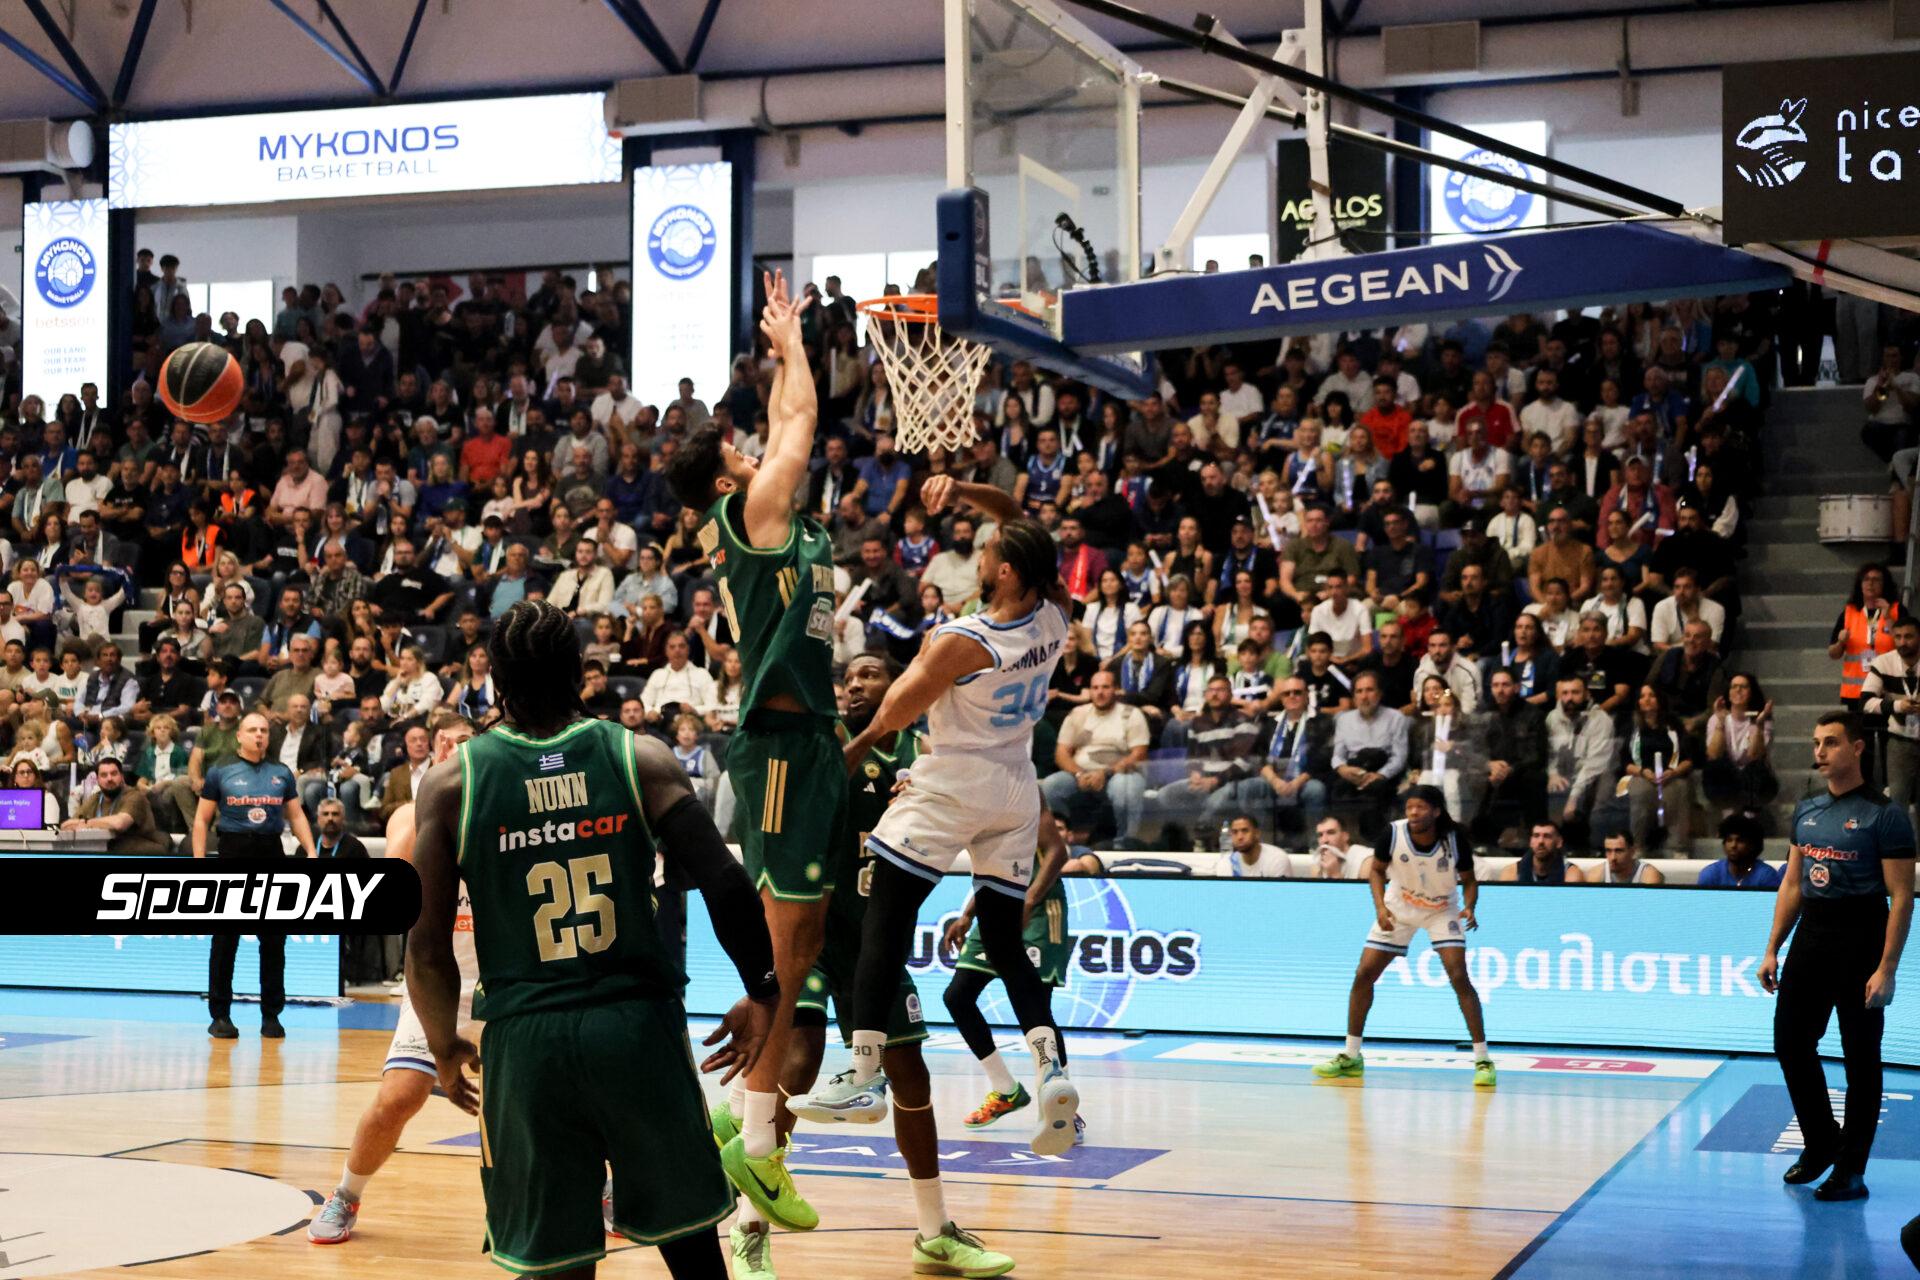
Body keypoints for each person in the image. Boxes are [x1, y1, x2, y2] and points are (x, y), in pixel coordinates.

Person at [407, 600, 779, 1279]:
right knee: (692, 1245)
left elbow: (427, 944)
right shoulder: (639, 757)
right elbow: (727, 882)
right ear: (580, 673)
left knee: (558, 1258)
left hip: (527, 1043)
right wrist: (763, 991)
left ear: (495, 681)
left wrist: (442, 1043)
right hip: (636, 1029)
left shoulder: (453, 781)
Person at [788, 472, 1079, 1160]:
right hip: (1016, 785)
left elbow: (895, 712)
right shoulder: (1055, 612)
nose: (979, 553)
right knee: (1004, 942)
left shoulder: (963, 640)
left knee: (884, 923)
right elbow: (1018, 518)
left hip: (953, 782)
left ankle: (864, 1075)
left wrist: (857, 747)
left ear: (1003, 571)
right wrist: (968, 490)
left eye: (987, 551)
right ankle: (1050, 1070)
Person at [727, 652, 1016, 1279]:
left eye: (871, 675)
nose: (855, 683)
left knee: (911, 1076)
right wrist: (876, 742)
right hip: (811, 934)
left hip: (874, 944)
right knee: (799, 1061)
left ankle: (935, 1233)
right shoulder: (826, 740)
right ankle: (749, 1228)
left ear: (902, 686)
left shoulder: (926, 754)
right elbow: (810, 792)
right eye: (849, 677)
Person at [660, 272, 833, 1228]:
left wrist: (780, 349)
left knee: (807, 949)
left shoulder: (761, 513)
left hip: (809, 740)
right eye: (740, 451)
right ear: (729, 482)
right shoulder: (756, 514)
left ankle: (752, 1123)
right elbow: (797, 422)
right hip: (775, 747)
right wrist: (791, 345)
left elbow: (783, 419)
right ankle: (755, 1137)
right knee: (786, 947)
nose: (756, 448)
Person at [308, 717, 474, 1245]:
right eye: (446, 743)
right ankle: (345, 1194)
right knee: (398, 1097)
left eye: (465, 743)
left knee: (548, 1098)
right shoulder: (413, 811)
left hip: (501, 981)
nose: (453, 750)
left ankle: (597, 1188)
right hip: (436, 981)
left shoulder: (502, 807)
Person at [1761, 710, 1915, 1203]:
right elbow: (1792, 884)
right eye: (1815, 743)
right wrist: (1772, 948)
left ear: (1857, 748)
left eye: (1830, 742)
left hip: (1861, 936)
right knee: (1790, 1042)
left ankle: (1851, 1169)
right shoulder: (1807, 809)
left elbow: (1902, 897)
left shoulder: (1885, 815)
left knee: (1860, 1058)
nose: (1819, 752)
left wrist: (1887, 968)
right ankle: (1822, 1140)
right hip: (1812, 936)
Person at [1312, 787, 1494, 1088]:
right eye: (1409, 807)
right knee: (1364, 974)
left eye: (1420, 807)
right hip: (1400, 905)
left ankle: (1483, 1059)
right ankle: (1351, 1055)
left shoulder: (1454, 839)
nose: (1413, 812)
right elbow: (1376, 871)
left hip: (1441, 909)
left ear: (1436, 811)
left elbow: (1470, 881)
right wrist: (1380, 907)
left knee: (1459, 976)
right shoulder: (1393, 833)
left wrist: (1470, 906)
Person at [193, 711, 318, 1039]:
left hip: (271, 853)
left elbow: (296, 816)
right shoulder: (220, 770)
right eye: (252, 729)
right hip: (233, 853)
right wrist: (197, 861)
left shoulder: (281, 773)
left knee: (274, 940)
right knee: (225, 940)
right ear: (239, 735)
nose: (259, 735)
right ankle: (220, 1015)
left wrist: (311, 851)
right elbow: (201, 820)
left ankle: (271, 1016)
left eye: (263, 730)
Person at [61, 756, 169, 854]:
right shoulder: (96, 798)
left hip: (141, 849)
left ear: (121, 776)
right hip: (108, 848)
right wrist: (83, 823)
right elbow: (66, 826)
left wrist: (86, 823)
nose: (109, 779)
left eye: (114, 774)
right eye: (104, 775)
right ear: (98, 780)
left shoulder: (134, 796)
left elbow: (119, 824)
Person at [1696, 810, 1781, 889]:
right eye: (1729, 840)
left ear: (1752, 845)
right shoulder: (1711, 874)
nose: (1733, 845)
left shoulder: (1767, 875)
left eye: (1740, 841)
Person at [1497, 821, 1585, 883]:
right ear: (1531, 842)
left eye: (1547, 836)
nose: (1541, 841)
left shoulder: (1572, 875)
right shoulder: (1511, 872)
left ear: (1559, 842)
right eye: (1536, 836)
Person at [1213, 812, 1292, 877]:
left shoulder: (1276, 859)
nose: (1239, 837)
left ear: (1257, 833)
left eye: (1245, 831)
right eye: (1235, 832)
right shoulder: (1227, 864)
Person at [1594, 831, 1664, 885]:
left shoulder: (1649, 875)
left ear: (1632, 851)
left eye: (1619, 851)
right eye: (1608, 851)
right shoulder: (1596, 875)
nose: (1613, 857)